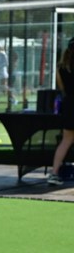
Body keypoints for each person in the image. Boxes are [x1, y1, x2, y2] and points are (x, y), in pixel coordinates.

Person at [47, 38, 74, 186]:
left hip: (69, 105)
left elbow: (63, 89)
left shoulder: (61, 67)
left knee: (66, 141)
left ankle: (54, 173)